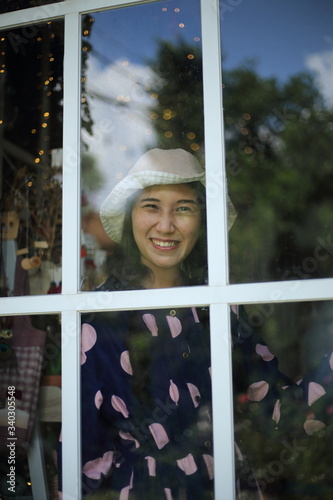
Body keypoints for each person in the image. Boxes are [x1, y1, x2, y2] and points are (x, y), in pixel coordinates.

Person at [58, 148, 217, 500]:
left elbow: (275, 403)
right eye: (151, 206)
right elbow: (82, 452)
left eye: (184, 208)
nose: (166, 224)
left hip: (219, 483)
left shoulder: (220, 308)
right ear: (131, 217)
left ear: (202, 221)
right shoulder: (98, 318)